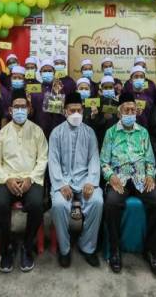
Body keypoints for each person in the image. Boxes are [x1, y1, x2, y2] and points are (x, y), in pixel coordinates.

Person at [101, 92, 156, 276]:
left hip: (140, 178)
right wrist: (110, 177)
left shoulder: (143, 132)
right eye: (126, 110)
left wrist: (151, 176)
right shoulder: (111, 133)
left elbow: (150, 161)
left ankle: (151, 251)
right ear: (119, 113)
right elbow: (104, 162)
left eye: (133, 109)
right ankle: (115, 249)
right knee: (112, 203)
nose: (130, 112)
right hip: (119, 178)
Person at [0, 89, 48, 273]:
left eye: (24, 106)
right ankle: (7, 247)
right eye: (17, 107)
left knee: (38, 204)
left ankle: (27, 246)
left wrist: (31, 178)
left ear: (29, 109)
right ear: (10, 109)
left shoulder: (37, 131)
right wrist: (7, 180)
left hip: (31, 179)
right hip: (7, 180)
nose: (20, 110)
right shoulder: (2, 133)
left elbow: (43, 159)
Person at [49, 92, 103, 268]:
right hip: (63, 180)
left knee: (97, 201)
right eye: (72, 110)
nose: (76, 114)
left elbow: (94, 159)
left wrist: (91, 181)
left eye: (79, 110)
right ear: (65, 112)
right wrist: (61, 184)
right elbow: (53, 161)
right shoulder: (56, 133)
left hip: (85, 180)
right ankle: (64, 249)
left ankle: (87, 247)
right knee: (58, 205)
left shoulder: (90, 132)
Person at [30, 59, 67, 138]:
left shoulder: (59, 88)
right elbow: (31, 112)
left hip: (56, 130)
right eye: (45, 70)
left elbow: (56, 110)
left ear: (54, 73)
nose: (47, 72)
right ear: (40, 73)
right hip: (38, 129)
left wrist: (55, 93)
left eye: (49, 71)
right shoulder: (35, 89)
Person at [87, 75, 119, 148]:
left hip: (115, 137)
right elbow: (94, 123)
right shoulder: (97, 102)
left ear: (114, 88)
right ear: (101, 89)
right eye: (106, 88)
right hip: (101, 137)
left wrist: (114, 117)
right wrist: (103, 119)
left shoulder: (117, 102)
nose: (108, 89)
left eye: (110, 87)